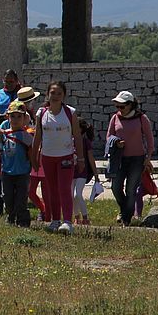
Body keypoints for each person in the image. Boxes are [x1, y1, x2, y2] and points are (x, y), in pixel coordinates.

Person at [31, 81, 84, 235]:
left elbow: (77, 136)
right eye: (52, 93)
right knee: (52, 190)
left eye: (59, 93)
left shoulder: (70, 112)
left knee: (64, 188)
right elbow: (37, 136)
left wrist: (81, 158)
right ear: (47, 94)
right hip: (47, 157)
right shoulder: (41, 113)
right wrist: (34, 157)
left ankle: (67, 221)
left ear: (64, 96)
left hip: (65, 157)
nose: (55, 96)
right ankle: (55, 220)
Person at [106, 90, 154, 226]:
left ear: (130, 105)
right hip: (119, 159)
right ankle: (125, 210)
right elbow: (109, 136)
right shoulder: (115, 118)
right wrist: (116, 142)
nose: (119, 109)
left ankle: (126, 219)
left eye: (122, 106)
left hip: (137, 159)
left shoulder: (141, 118)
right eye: (117, 106)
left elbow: (149, 139)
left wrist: (148, 158)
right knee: (115, 187)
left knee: (131, 189)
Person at [0, 100, 34, 226]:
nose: (16, 119)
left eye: (19, 116)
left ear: (24, 118)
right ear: (8, 117)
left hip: (22, 172)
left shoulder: (26, 135)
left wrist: (34, 165)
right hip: (7, 172)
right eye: (13, 116)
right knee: (7, 197)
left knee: (21, 198)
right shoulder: (4, 134)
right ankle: (11, 217)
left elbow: (33, 151)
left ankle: (23, 220)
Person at [18, 86, 47, 221]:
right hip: (32, 153)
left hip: (37, 152)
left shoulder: (32, 115)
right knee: (30, 188)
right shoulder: (27, 116)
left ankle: (46, 211)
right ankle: (44, 209)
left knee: (40, 188)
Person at [72, 117, 100, 225]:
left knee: (77, 194)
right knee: (71, 196)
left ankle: (85, 217)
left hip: (82, 172)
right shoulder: (69, 141)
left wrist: (96, 174)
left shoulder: (85, 142)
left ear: (81, 129)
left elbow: (91, 158)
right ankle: (76, 217)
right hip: (70, 172)